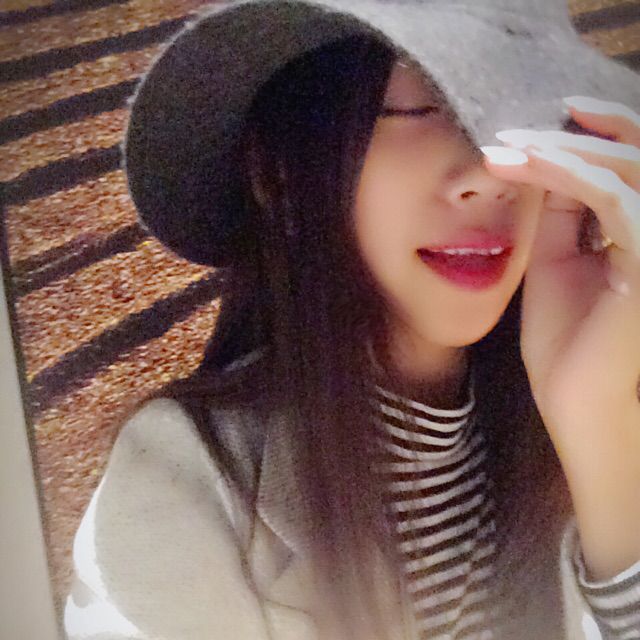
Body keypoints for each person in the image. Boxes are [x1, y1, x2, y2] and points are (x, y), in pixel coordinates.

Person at [63, 1, 640, 639]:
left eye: (525, 120)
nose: (493, 176)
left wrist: (595, 419)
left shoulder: (597, 412)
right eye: (424, 106)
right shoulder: (187, 484)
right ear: (276, 169)